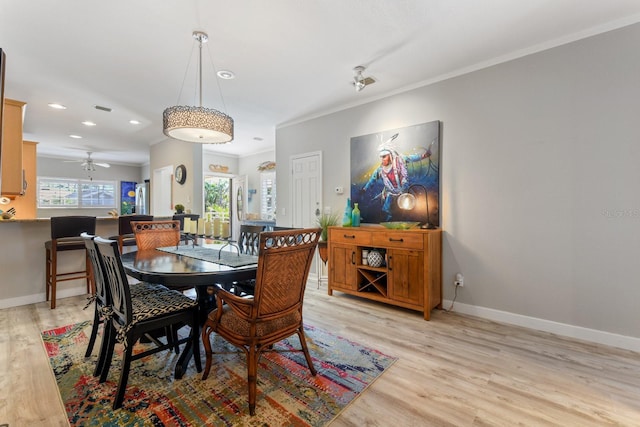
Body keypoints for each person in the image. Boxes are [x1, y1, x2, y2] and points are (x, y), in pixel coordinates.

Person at [362, 143, 430, 221]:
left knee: (413, 209)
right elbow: (372, 180)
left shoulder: (400, 160)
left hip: (404, 191)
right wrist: (364, 189)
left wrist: (423, 156)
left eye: (384, 156)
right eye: (381, 157)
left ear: (390, 155)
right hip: (391, 194)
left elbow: (411, 158)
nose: (382, 159)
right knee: (387, 211)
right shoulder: (380, 170)